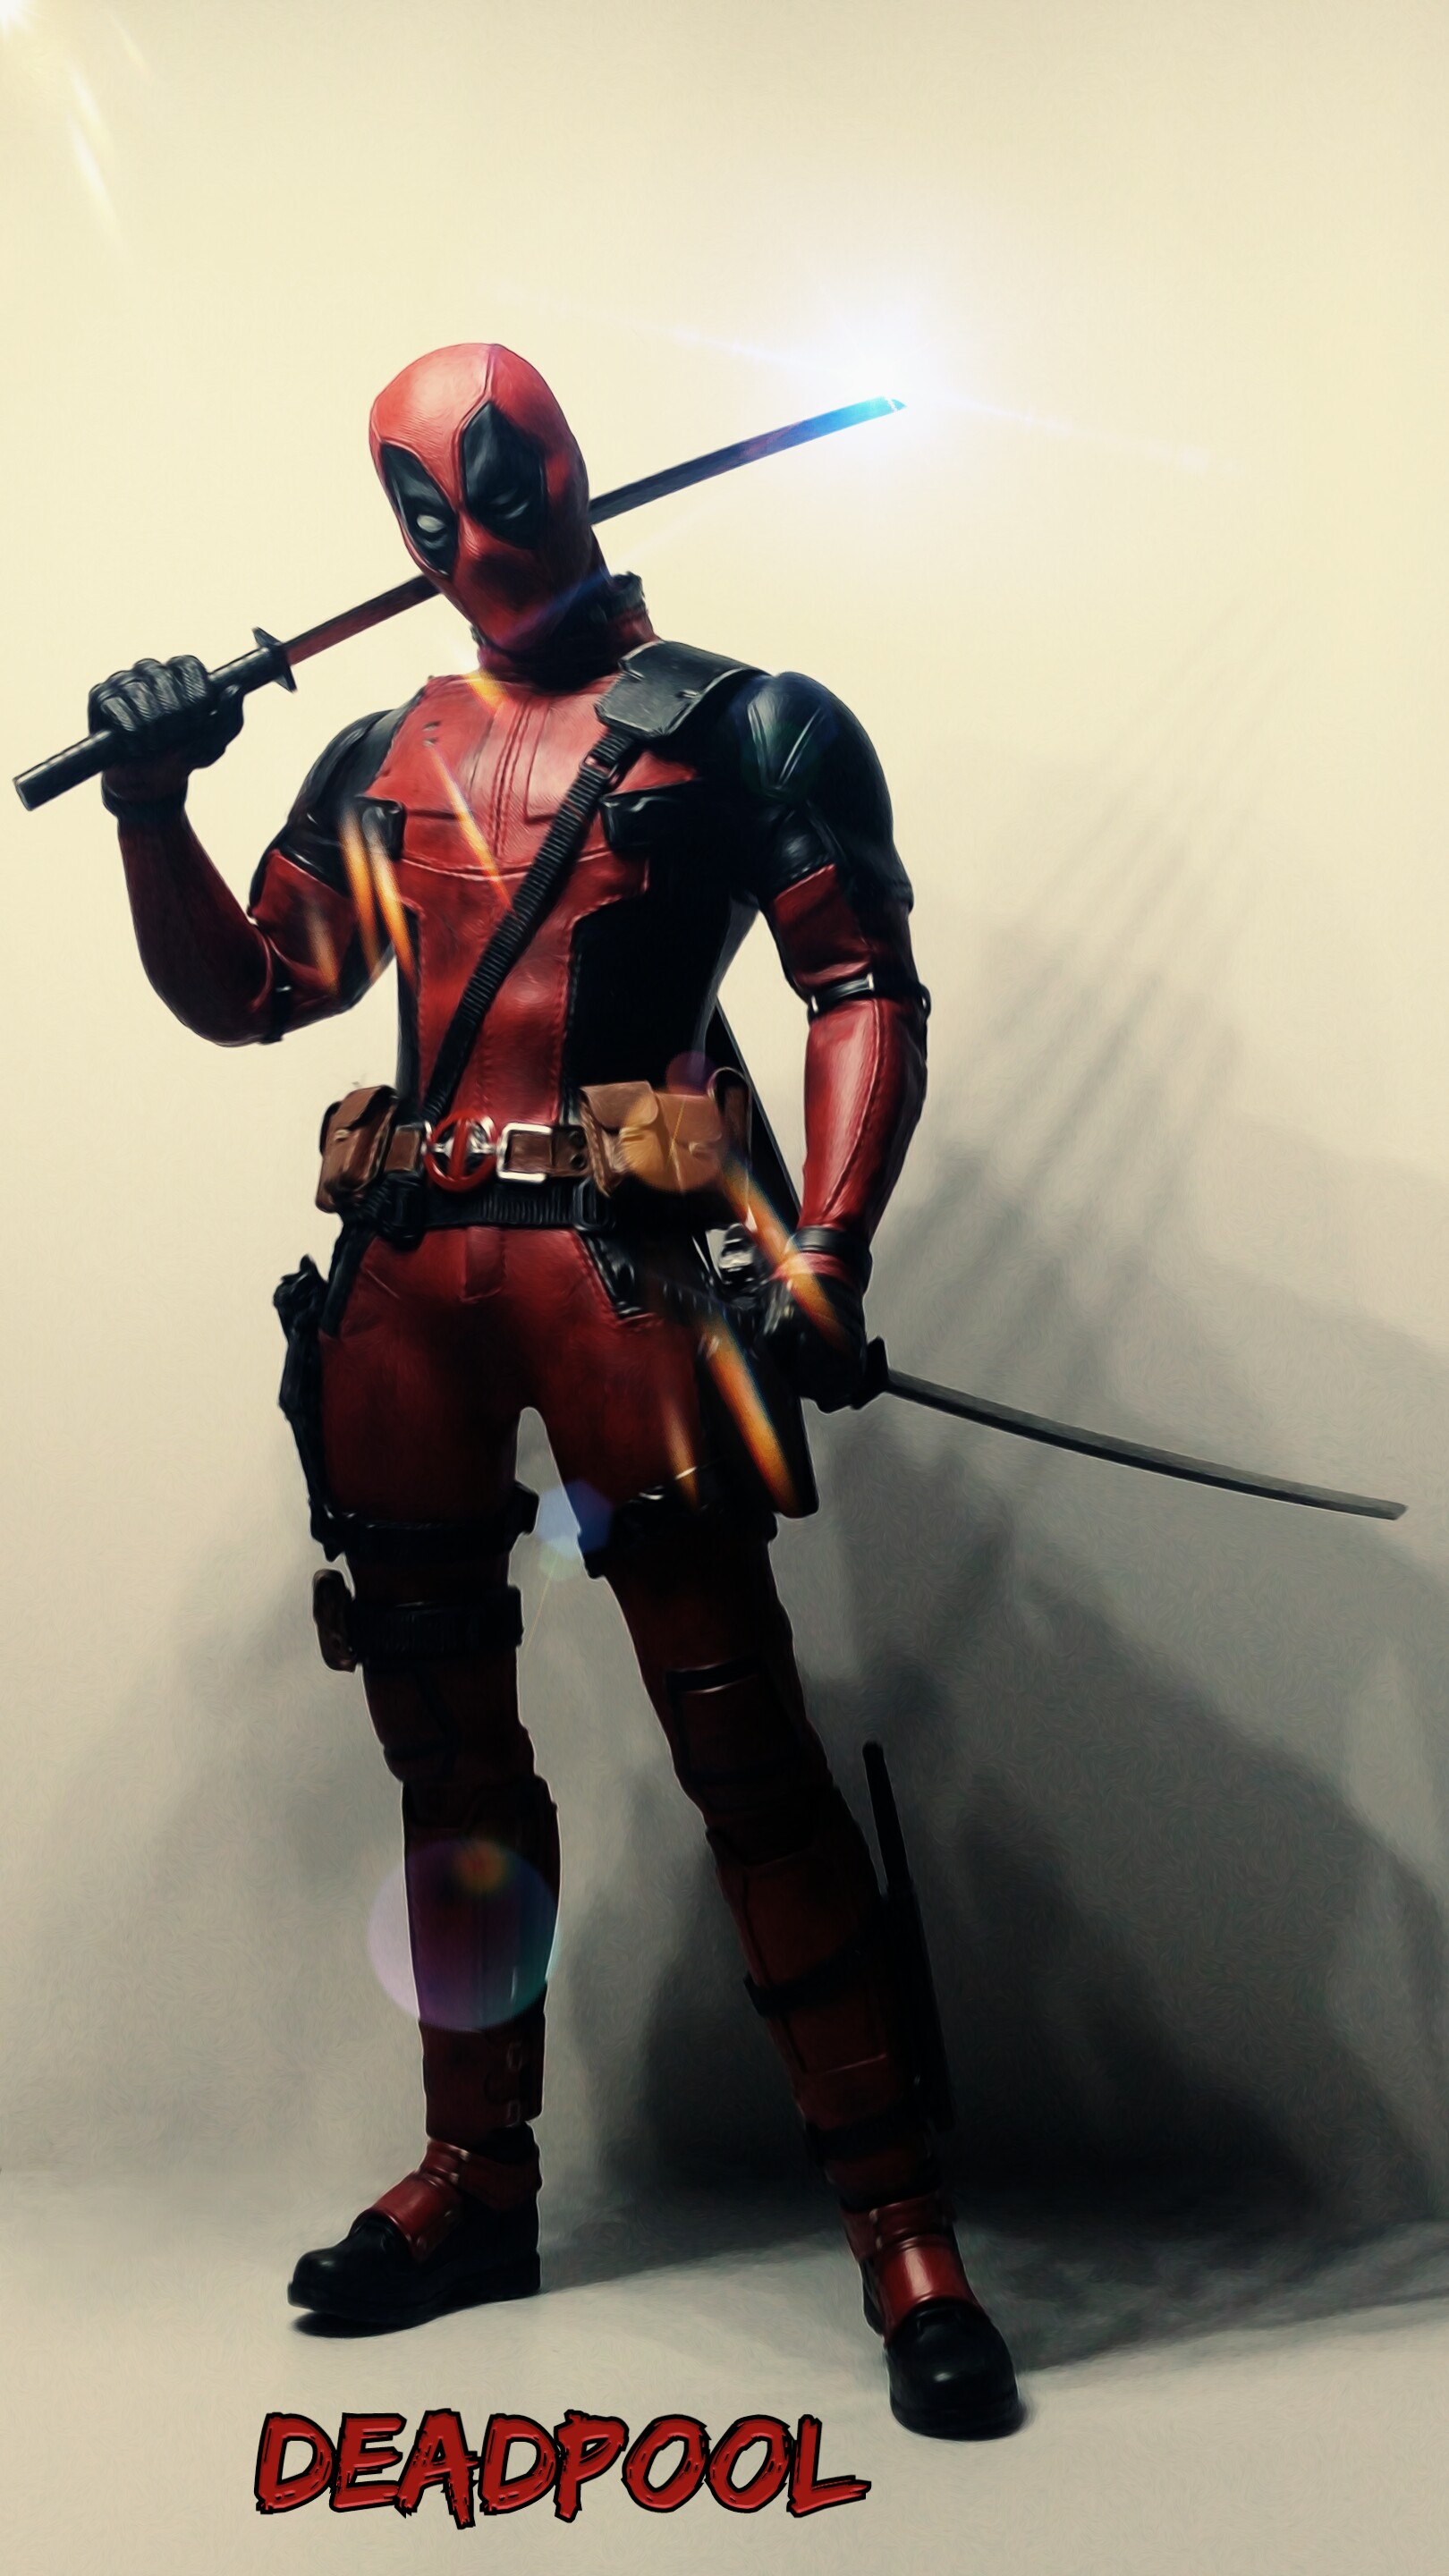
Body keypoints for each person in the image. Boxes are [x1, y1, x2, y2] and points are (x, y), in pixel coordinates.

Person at [89, 342, 1020, 2439]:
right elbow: (257, 989)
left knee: (743, 1750)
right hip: (410, 1284)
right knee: (446, 1769)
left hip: (625, 1280)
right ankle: (475, 2177)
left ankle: (901, 2227)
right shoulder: (384, 748)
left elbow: (857, 981)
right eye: (425, 509)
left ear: (574, 467)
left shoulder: (751, 724)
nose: (469, 538)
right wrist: (153, 804)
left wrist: (831, 1244)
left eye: (499, 482)